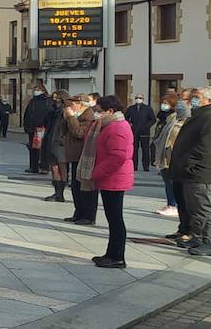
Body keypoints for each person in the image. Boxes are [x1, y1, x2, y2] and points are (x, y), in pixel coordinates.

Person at [168, 86, 211, 256]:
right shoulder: (198, 116)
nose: (193, 100)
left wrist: (189, 164)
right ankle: (197, 237)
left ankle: (209, 242)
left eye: (197, 97)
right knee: (194, 208)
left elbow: (206, 147)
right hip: (190, 172)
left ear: (209, 100)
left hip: (200, 172)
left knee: (204, 208)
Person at [89, 96, 133, 268]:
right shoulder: (108, 125)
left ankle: (117, 257)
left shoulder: (117, 127)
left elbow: (118, 156)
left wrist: (97, 172)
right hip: (110, 177)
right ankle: (111, 253)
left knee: (115, 219)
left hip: (114, 178)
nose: (97, 114)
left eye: (99, 111)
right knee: (112, 218)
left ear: (110, 111)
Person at [151, 92, 189, 217]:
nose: (163, 105)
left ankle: (173, 205)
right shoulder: (168, 118)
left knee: (171, 182)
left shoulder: (178, 120)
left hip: (171, 156)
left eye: (166, 103)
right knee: (167, 181)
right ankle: (170, 204)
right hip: (164, 154)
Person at [65, 94, 101, 226]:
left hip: (84, 156)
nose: (71, 105)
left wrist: (71, 118)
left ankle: (89, 216)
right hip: (75, 156)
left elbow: (79, 133)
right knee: (76, 186)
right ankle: (79, 212)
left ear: (82, 105)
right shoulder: (77, 115)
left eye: (74, 103)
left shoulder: (88, 116)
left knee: (85, 187)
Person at [43, 91, 72, 203]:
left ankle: (60, 193)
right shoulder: (52, 111)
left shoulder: (66, 112)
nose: (54, 100)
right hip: (51, 141)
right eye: (53, 98)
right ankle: (57, 192)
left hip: (61, 143)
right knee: (54, 168)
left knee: (62, 168)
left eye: (57, 98)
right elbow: (46, 123)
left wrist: (63, 140)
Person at [22, 84, 55, 173]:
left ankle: (44, 167)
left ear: (43, 90)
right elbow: (28, 114)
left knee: (43, 148)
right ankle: (33, 167)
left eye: (38, 89)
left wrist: (46, 126)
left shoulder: (47, 101)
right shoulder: (33, 101)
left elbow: (48, 114)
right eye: (35, 89)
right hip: (32, 128)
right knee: (33, 148)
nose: (36, 91)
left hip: (42, 128)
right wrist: (26, 126)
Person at [125, 93, 155, 172]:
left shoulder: (148, 109)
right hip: (134, 131)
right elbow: (126, 118)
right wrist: (130, 124)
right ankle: (134, 165)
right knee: (134, 149)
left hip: (144, 132)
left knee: (145, 149)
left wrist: (146, 126)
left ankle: (146, 166)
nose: (138, 99)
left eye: (140, 98)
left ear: (143, 99)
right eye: (137, 97)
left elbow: (152, 119)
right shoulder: (131, 108)